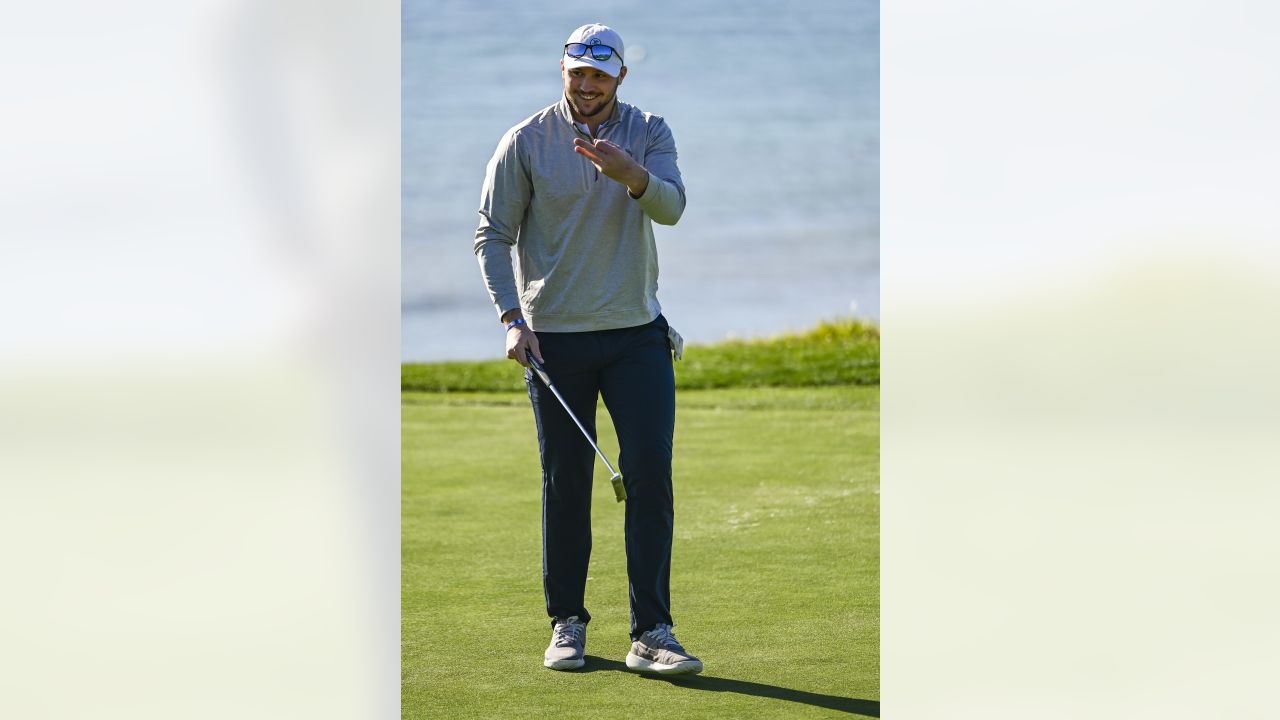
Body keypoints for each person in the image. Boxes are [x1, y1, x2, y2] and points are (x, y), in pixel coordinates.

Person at [473, 22, 702, 675]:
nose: (588, 84)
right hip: (554, 341)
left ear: (620, 77)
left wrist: (632, 176)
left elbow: (673, 208)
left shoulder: (649, 131)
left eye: (600, 74)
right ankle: (567, 622)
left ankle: (652, 631)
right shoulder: (525, 142)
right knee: (566, 483)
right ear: (563, 70)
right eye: (578, 72)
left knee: (650, 473)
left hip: (636, 332)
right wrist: (512, 318)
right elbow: (492, 235)